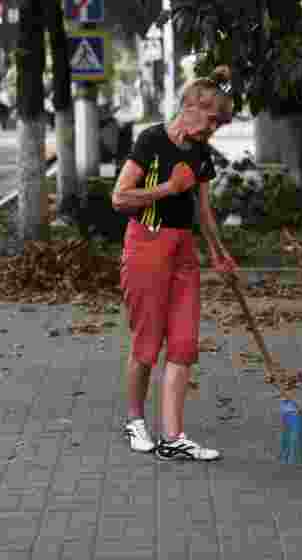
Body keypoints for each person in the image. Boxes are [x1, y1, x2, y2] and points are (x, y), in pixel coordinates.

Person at [111, 65, 239, 462]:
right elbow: (119, 198)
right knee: (147, 345)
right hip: (146, 247)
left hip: (184, 252)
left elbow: (204, 212)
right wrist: (168, 188)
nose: (213, 130)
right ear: (189, 108)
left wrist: (219, 252)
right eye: (212, 120)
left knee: (183, 344)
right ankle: (135, 420)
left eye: (219, 124)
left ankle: (173, 436)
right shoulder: (151, 140)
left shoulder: (202, 154)